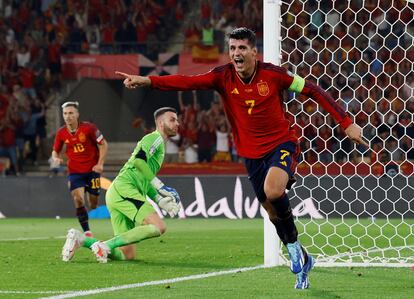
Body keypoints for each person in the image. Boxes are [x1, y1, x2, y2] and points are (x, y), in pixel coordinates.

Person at [115, 27, 368, 288]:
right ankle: (303, 256)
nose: (236, 53)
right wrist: (148, 80)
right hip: (250, 154)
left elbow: (313, 90)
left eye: (242, 48)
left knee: (273, 190)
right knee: (271, 211)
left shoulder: (273, 75)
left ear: (254, 52)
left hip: (281, 143)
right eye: (233, 48)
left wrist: (346, 122)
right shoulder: (221, 77)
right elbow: (185, 81)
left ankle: (292, 247)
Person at [61, 107, 181, 263]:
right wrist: (161, 186)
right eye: (172, 119)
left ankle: (81, 240)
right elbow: (139, 161)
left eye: (177, 120)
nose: (177, 123)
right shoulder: (155, 138)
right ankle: (104, 245)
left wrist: (159, 199)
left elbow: (144, 176)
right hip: (125, 189)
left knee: (126, 255)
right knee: (159, 227)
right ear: (160, 122)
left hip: (118, 192)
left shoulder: (159, 146)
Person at [52, 101, 108, 240]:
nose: (68, 116)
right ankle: (87, 231)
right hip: (75, 172)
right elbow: (55, 151)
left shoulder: (89, 128)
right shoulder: (61, 133)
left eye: (71, 113)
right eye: (65, 113)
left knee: (93, 204)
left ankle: (92, 192)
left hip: (93, 171)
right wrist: (56, 158)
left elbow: (103, 144)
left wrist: (100, 164)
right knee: (78, 199)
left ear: (77, 114)